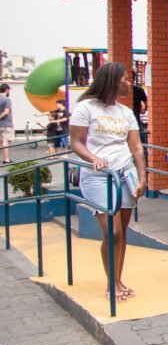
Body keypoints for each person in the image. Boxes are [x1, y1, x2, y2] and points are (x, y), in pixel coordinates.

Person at [68, 62, 147, 302]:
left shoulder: (126, 112)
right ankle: (111, 284)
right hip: (99, 176)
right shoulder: (86, 107)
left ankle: (118, 281)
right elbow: (76, 142)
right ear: (113, 81)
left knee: (122, 232)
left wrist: (143, 176)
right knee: (112, 232)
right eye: (125, 79)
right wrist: (94, 158)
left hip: (125, 174)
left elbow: (136, 146)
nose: (129, 83)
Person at [131, 73, 149, 147]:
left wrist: (144, 109)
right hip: (136, 116)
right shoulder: (139, 89)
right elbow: (146, 102)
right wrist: (144, 109)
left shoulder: (139, 90)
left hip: (135, 115)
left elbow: (146, 102)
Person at [0, 83, 13, 164]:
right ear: (7, 90)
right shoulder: (7, 99)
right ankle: (6, 159)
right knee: (5, 141)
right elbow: (6, 112)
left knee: (1, 142)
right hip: (5, 124)